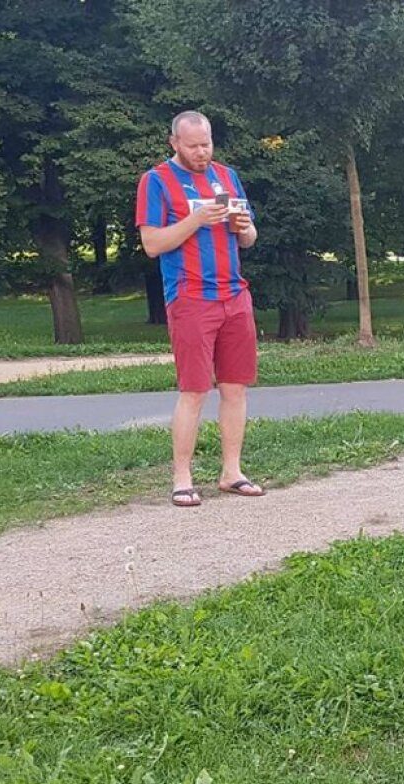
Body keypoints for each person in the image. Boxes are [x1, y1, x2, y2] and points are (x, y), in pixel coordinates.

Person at [136, 110, 265, 507]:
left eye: (206, 144)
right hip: (191, 297)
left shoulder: (226, 176)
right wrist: (195, 219)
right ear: (174, 142)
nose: (201, 152)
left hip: (234, 295)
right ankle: (182, 477)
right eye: (192, 146)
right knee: (194, 390)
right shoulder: (156, 180)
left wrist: (243, 227)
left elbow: (250, 240)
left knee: (235, 387)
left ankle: (232, 472)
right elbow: (153, 244)